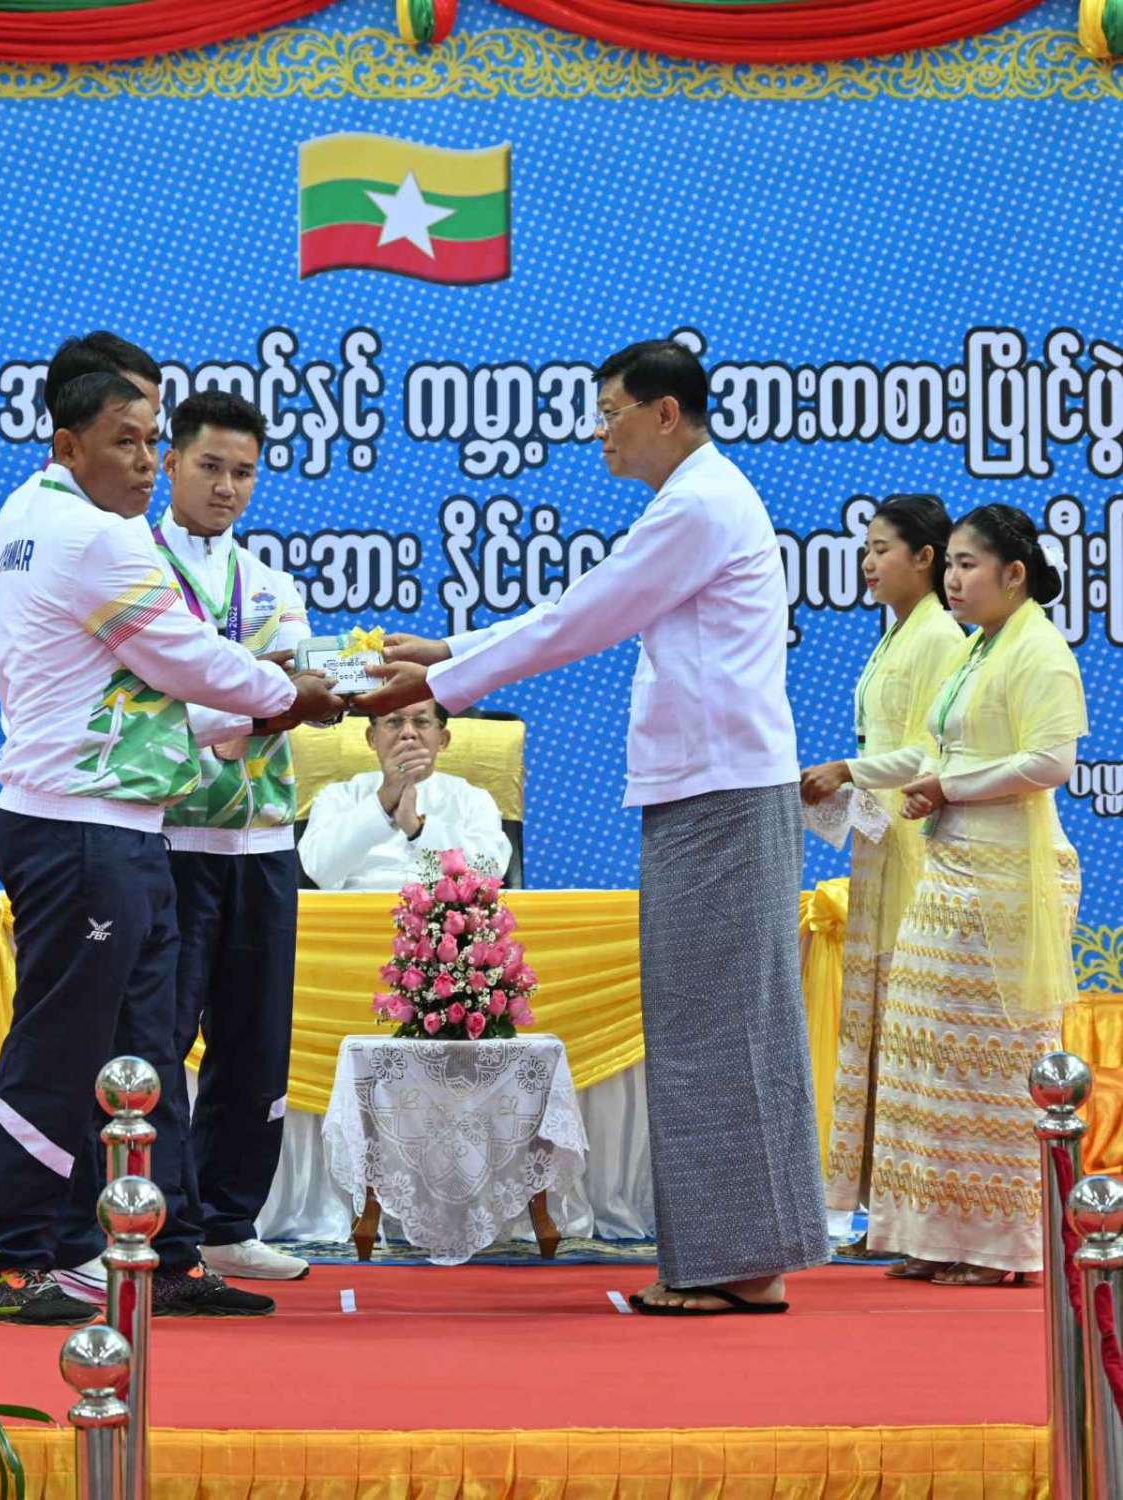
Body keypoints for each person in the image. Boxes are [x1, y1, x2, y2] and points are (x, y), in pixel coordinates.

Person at [356, 339, 829, 1315]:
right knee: (720, 1023)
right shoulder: (695, 500)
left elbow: (585, 618)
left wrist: (445, 678)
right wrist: (450, 652)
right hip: (710, 789)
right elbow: (581, 606)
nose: (601, 431)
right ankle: (747, 1255)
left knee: (715, 1027)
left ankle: (735, 1263)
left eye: (611, 411)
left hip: (721, 794)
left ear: (665, 412)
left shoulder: (699, 504)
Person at [0, 372, 344, 1324]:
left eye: (147, 440)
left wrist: (261, 704)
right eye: (127, 441)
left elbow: (156, 703)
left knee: (143, 1052)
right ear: (67, 443)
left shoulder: (26, 516)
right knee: (62, 1046)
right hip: (80, 823)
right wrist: (287, 695)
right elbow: (185, 658)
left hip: (120, 822)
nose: (145, 462)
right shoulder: (95, 537)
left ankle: (161, 1250)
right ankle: (9, 1254)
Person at [852, 504, 1084, 1285]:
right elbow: (947, 752)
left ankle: (1000, 1248)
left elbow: (1050, 762)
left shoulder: (1039, 650)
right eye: (948, 564)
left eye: (966, 565)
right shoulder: (978, 647)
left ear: (1013, 574)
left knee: (991, 1066)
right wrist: (931, 784)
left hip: (1008, 880)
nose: (952, 580)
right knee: (925, 1058)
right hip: (949, 870)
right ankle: (933, 1233)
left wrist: (949, 786)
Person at [156, 391, 317, 1281]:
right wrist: (256, 691)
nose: (226, 487)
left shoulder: (270, 583)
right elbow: (156, 697)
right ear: (170, 463)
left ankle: (227, 1223)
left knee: (255, 1042)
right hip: (170, 837)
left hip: (263, 840)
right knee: (160, 1039)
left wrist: (247, 694)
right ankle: (163, 1228)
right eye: (210, 466)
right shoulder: (136, 571)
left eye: (243, 472)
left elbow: (295, 687)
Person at [800, 497, 965, 1248]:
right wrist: (849, 781)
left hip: (916, 848)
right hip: (882, 843)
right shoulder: (897, 633)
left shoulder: (938, 637)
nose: (867, 563)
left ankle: (917, 1211)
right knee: (879, 1031)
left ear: (924, 558)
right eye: (864, 549)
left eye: (881, 549)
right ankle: (885, 1212)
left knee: (907, 1031)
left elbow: (931, 754)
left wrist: (847, 770)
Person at [298, 700, 511, 890]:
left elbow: (491, 871)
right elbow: (318, 870)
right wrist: (381, 802)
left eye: (421, 722)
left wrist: (418, 830)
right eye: (394, 721)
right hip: (357, 914)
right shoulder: (339, 796)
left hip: (443, 917)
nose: (408, 733)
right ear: (372, 738)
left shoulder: (472, 799)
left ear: (443, 739)